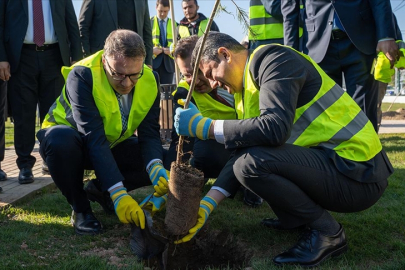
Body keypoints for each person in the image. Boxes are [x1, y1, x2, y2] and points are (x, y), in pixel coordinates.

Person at [173, 32, 393, 267]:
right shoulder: (244, 91)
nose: (214, 84)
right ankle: (296, 219)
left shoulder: (274, 60)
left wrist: (206, 127)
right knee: (246, 161)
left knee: (251, 164)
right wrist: (208, 203)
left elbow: (274, 129)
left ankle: (329, 233)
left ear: (225, 54)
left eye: (210, 74)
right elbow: (242, 151)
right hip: (339, 165)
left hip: (359, 173)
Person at [37, 30, 169, 235]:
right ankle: (81, 209)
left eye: (134, 75)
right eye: (118, 74)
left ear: (142, 62)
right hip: (74, 142)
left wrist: (155, 167)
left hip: (111, 143)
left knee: (165, 157)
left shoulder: (151, 78)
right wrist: (119, 193)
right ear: (104, 59)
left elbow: (149, 133)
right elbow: (92, 136)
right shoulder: (82, 74)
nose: (126, 83)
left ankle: (99, 190)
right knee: (60, 142)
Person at [167, 35, 263, 207]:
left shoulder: (239, 77)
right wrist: (175, 179)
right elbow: (180, 141)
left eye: (198, 72)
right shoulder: (184, 93)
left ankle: (248, 183)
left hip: (251, 142)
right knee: (206, 152)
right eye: (187, 75)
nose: (194, 81)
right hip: (218, 148)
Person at [281, 0, 399, 131]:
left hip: (361, 41)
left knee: (363, 113)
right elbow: (290, 10)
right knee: (325, 114)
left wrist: (385, 36)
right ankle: (330, 152)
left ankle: (368, 151)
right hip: (318, 45)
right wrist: (291, 53)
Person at [0, 0, 82, 185]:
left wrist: (77, 59)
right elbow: (1, 23)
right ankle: (25, 165)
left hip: (54, 57)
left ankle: (51, 160)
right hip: (21, 56)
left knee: (52, 112)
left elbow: (71, 22)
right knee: (23, 112)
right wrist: (2, 58)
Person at [79, 0, 153, 67]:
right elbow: (83, 28)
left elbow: (146, 32)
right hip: (101, 64)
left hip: (135, 67)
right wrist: (87, 58)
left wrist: (148, 62)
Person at [151, 0, 176, 84]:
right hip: (152, 62)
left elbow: (179, 43)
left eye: (165, 11)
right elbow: (143, 40)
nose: (162, 14)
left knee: (167, 93)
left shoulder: (175, 25)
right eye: (160, 11)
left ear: (169, 9)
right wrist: (151, 50)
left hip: (169, 64)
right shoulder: (149, 22)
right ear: (156, 8)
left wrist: (172, 50)